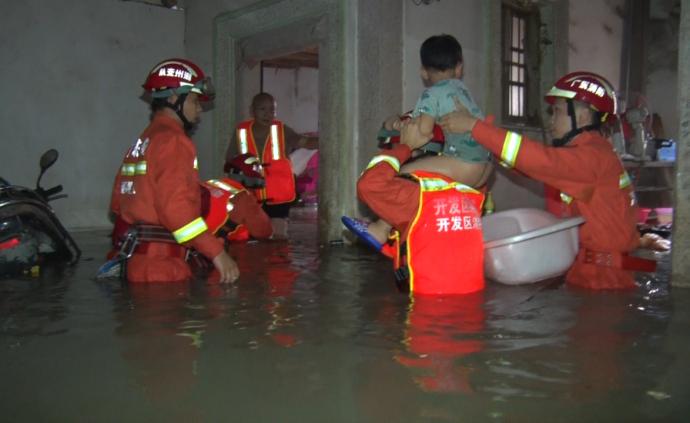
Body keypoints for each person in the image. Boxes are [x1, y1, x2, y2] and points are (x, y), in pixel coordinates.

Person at [439, 71, 650, 290]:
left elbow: (540, 161)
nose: (551, 121)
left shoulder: (591, 158)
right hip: (596, 269)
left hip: (605, 278)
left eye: (557, 112)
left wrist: (476, 127)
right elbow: (535, 168)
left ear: (584, 117)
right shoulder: (592, 153)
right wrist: (487, 144)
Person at [343, 34, 492, 253]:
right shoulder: (461, 90)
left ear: (424, 71)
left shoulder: (431, 94)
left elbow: (423, 132)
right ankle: (382, 228)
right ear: (459, 68)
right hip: (486, 167)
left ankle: (380, 230)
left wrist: (404, 131)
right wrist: (402, 121)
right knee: (422, 180)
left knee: (399, 174)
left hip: (464, 164)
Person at [108, 58, 238, 284]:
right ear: (173, 98)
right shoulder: (174, 141)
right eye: (196, 101)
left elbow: (117, 203)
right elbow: (177, 213)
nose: (199, 109)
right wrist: (218, 253)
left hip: (135, 263)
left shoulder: (144, 140)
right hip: (162, 268)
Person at [355, 117, 485, 295]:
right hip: (472, 308)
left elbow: (368, 185)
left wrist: (405, 147)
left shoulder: (414, 195)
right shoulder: (469, 193)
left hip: (425, 308)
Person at [224, 93, 318, 239]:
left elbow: (303, 142)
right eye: (262, 109)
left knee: (279, 237)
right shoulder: (241, 131)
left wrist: (326, 139)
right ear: (252, 111)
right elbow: (230, 158)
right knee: (253, 236)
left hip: (278, 196)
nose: (268, 114)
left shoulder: (282, 130)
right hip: (251, 196)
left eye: (272, 110)